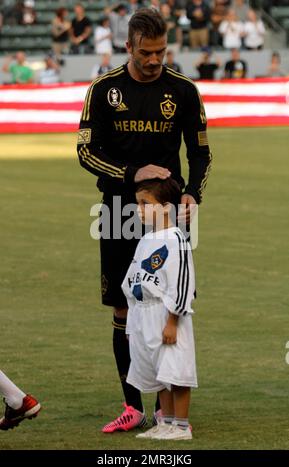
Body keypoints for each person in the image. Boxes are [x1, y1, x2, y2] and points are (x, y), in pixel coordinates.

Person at [77, 7, 212, 433]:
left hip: (169, 216)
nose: (155, 60)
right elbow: (85, 152)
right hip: (117, 210)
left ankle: (164, 409)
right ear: (128, 46)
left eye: (160, 52)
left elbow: (201, 152)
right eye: (146, 53)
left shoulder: (184, 91)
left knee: (169, 306)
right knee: (125, 306)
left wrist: (193, 192)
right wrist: (132, 174)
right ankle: (131, 404)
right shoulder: (103, 89)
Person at [122, 178, 197, 441]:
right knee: (158, 374)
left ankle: (181, 426)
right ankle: (165, 423)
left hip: (166, 315)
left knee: (175, 370)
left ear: (166, 207)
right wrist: (133, 323)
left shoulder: (177, 240)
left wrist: (173, 320)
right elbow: (133, 281)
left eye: (145, 204)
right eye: (138, 204)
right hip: (144, 315)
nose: (139, 209)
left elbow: (183, 284)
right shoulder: (145, 240)